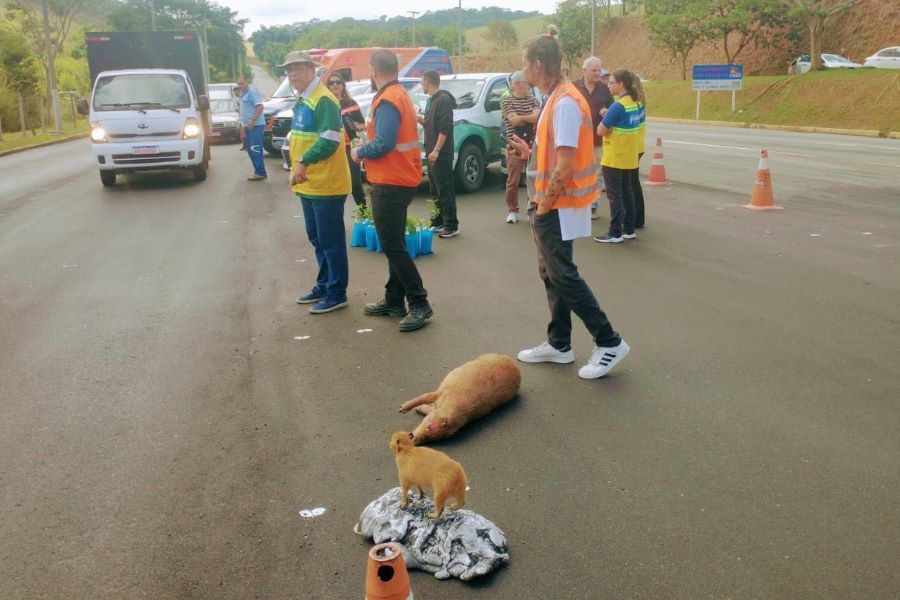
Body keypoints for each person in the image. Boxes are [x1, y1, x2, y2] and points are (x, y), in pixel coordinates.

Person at [510, 26, 630, 380]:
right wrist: (530, 153)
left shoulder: (563, 101)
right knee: (551, 273)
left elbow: (565, 162)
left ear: (537, 64)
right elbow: (556, 155)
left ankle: (609, 341)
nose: (522, 71)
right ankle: (559, 343)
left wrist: (544, 205)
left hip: (556, 205)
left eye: (524, 64)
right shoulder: (557, 97)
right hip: (553, 202)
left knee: (563, 275)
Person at [351, 50, 433, 332]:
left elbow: (384, 143)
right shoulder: (399, 94)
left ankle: (419, 302)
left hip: (391, 181)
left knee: (392, 245)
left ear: (374, 70)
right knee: (394, 241)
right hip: (400, 178)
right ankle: (394, 300)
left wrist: (358, 152)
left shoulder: (387, 100)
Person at [280, 51, 352, 314]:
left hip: (326, 185)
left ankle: (337, 292)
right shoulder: (304, 99)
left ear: (311, 70)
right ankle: (324, 284)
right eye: (289, 70)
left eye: (297, 69)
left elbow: (330, 140)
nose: (292, 75)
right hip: (309, 184)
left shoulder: (323, 100)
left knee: (330, 241)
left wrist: (303, 162)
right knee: (317, 238)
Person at [593, 69, 643, 244]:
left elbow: (601, 130)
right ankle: (628, 229)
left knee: (615, 196)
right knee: (627, 192)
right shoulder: (634, 103)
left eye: (612, 82)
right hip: (629, 156)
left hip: (614, 157)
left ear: (621, 84)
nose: (609, 85)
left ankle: (615, 232)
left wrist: (607, 122)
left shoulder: (617, 106)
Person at [418, 70, 459, 238]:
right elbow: (432, 124)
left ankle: (451, 225)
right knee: (434, 189)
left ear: (428, 82)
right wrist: (422, 119)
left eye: (422, 82)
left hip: (440, 153)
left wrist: (436, 150)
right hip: (431, 152)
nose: (421, 85)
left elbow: (445, 127)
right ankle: (438, 220)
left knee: (445, 189)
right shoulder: (431, 100)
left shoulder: (443, 100)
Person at [574, 57, 613, 220]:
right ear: (584, 71)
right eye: (594, 70)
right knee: (578, 173)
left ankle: (592, 206)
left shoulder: (604, 89)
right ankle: (577, 203)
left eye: (599, 70)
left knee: (597, 174)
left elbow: (613, 108)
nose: (598, 73)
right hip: (577, 139)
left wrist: (607, 111)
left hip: (597, 140)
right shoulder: (573, 87)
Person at [500, 71, 540, 224]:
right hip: (514, 146)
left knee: (533, 180)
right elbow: (513, 121)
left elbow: (536, 117)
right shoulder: (507, 101)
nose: (528, 84)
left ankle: (533, 209)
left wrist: (521, 117)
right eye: (525, 82)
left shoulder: (534, 100)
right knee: (513, 180)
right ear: (516, 84)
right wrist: (527, 118)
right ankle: (512, 210)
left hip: (532, 144)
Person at [327, 75, 368, 207]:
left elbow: (363, 124)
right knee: (335, 185)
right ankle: (335, 215)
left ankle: (364, 214)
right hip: (333, 149)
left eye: (338, 82)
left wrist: (355, 126)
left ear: (343, 85)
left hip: (350, 148)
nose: (335, 85)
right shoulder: (326, 103)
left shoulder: (351, 103)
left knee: (355, 183)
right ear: (328, 86)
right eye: (332, 83)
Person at [237, 75, 267, 181]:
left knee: (255, 149)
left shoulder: (252, 92)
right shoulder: (242, 94)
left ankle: (260, 172)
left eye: (242, 83)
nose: (240, 86)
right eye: (239, 83)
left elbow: (260, 107)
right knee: (250, 150)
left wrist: (253, 121)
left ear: (247, 82)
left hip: (255, 126)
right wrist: (242, 127)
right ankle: (258, 171)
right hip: (247, 127)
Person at [632, 75, 647, 229]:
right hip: (639, 145)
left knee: (631, 184)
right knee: (634, 182)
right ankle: (638, 216)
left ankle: (635, 217)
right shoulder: (641, 100)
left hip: (633, 146)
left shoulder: (634, 103)